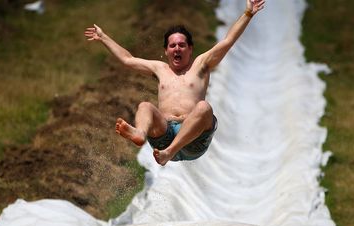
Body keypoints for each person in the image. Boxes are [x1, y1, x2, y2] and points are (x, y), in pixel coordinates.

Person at [84, 0, 265, 166]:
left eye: (181, 45)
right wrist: (103, 37)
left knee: (204, 108)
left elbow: (228, 41)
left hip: (194, 140)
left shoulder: (201, 64)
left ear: (190, 48)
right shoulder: (159, 68)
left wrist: (248, 13)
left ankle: (170, 152)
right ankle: (140, 133)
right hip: (164, 136)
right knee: (145, 106)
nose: (177, 48)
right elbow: (127, 59)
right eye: (172, 46)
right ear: (166, 50)